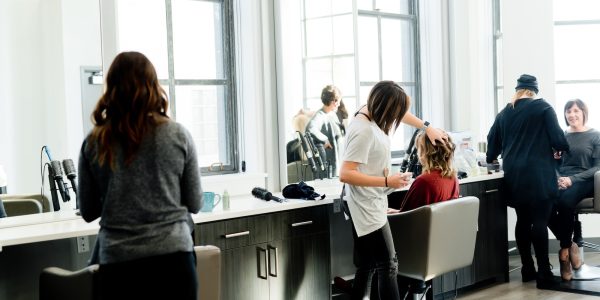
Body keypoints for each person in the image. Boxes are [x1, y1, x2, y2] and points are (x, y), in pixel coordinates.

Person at [78, 51, 202, 300]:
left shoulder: (95, 142)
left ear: (111, 88)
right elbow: (195, 202)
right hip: (174, 262)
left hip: (119, 265)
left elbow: (88, 211)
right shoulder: (178, 135)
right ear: (153, 86)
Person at [486, 74, 569, 289]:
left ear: (518, 90)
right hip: (539, 173)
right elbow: (559, 140)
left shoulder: (504, 112)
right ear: (534, 91)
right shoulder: (543, 108)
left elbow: (491, 146)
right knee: (540, 220)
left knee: (522, 220)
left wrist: (491, 158)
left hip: (514, 174)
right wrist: (560, 150)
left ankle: (527, 268)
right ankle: (544, 273)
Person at [548, 99, 600, 281]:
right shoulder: (561, 136)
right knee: (543, 204)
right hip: (562, 180)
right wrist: (557, 179)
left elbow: (597, 167)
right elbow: (553, 163)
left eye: (576, 111)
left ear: (584, 113)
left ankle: (563, 255)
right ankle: (570, 245)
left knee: (564, 202)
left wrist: (572, 179)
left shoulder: (595, 135)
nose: (572, 115)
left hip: (585, 180)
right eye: (568, 112)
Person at [397, 132, 459, 212]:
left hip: (419, 224)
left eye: (418, 149)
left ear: (424, 152)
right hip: (440, 223)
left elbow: (406, 216)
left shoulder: (423, 181)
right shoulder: (453, 178)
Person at [306, 85, 344, 177]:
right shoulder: (320, 115)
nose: (339, 104)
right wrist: (325, 139)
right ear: (333, 101)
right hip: (329, 158)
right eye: (338, 101)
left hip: (338, 157)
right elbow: (310, 128)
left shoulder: (332, 114)